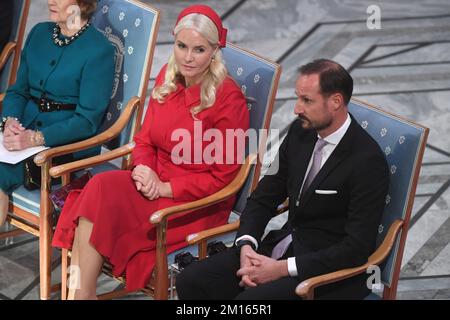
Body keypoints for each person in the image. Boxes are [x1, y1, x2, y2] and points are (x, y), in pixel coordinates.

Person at [51, 4, 250, 300]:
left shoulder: (228, 99)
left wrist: (165, 187)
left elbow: (223, 179)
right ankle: (82, 294)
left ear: (214, 51)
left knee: (92, 206)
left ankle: (80, 296)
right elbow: (144, 140)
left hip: (194, 201)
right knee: (97, 189)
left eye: (199, 50)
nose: (187, 57)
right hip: (151, 182)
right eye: (182, 46)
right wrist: (145, 171)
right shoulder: (168, 77)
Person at [176, 59, 390, 300]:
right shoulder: (301, 133)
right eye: (298, 98)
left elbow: (356, 248)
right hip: (281, 248)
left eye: (307, 100)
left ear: (336, 102)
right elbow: (264, 197)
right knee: (192, 281)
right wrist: (247, 245)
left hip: (329, 274)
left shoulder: (367, 161)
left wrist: (280, 269)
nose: (297, 109)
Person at [0, 0, 115, 226]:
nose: (50, 0)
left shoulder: (99, 50)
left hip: (65, 145)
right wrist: (10, 120)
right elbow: (17, 91)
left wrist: (35, 138)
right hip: (23, 134)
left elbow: (87, 121)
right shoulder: (39, 33)